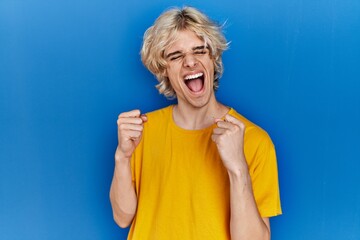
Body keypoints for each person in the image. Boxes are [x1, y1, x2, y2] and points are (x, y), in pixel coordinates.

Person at [110, 6, 282, 240]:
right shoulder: (142, 132)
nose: (190, 62)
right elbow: (122, 218)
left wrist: (238, 168)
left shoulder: (254, 140)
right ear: (164, 69)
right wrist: (122, 156)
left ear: (213, 59)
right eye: (176, 55)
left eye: (199, 51)